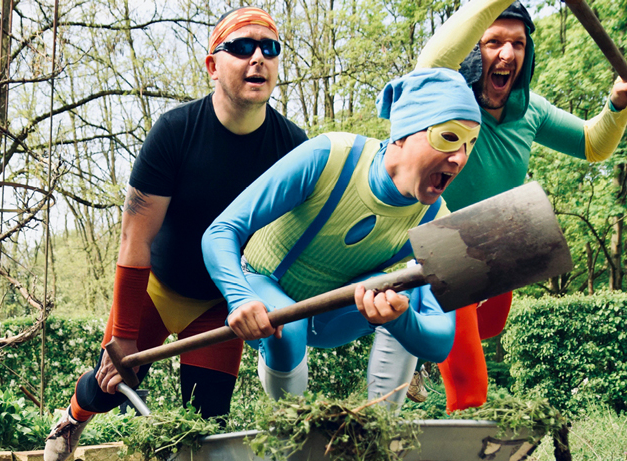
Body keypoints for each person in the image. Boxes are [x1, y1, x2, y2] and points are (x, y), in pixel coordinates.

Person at [360, 2, 627, 461]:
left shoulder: (531, 111)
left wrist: (619, 106)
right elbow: (431, 58)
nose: (506, 54)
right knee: (471, 387)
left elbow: (593, 144)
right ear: (474, 47)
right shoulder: (443, 97)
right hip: (444, 249)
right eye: (494, 40)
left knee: (490, 329)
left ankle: (427, 359)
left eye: (518, 43)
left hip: (500, 248)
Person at [42, 7, 307, 461]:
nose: (258, 57)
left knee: (205, 434)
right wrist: (120, 336)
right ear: (213, 64)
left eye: (270, 48)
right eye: (242, 47)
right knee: (113, 382)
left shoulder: (294, 147)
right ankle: (73, 417)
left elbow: (300, 245)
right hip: (159, 287)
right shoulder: (176, 131)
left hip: (222, 303)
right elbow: (134, 238)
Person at [202, 68, 482, 400]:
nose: (460, 157)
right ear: (403, 134)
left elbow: (439, 342)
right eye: (448, 137)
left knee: (405, 288)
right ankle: (291, 430)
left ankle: (379, 433)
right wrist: (240, 297)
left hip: (335, 314)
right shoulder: (329, 156)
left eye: (470, 143)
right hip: (265, 287)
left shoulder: (438, 221)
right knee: (288, 328)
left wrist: (401, 320)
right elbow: (221, 231)